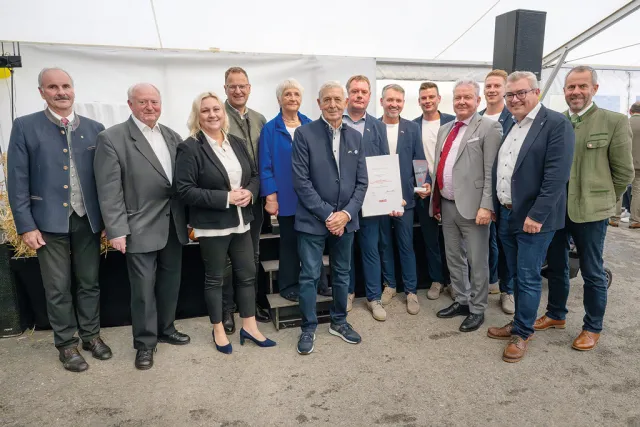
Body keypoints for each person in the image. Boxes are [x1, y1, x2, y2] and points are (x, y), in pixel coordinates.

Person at [7, 67, 111, 372]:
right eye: (52, 87)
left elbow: (105, 180)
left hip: (87, 219)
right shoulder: (25, 126)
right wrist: (26, 225)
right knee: (57, 287)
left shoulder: (95, 128)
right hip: (47, 221)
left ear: (73, 89)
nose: (61, 92)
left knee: (89, 282)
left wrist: (108, 220)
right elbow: (17, 179)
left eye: (65, 85)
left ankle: (91, 336)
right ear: (42, 92)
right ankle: (66, 343)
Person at [536, 66, 634, 351]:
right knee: (556, 266)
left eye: (582, 86)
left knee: (592, 271)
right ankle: (556, 314)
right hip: (557, 210)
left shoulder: (614, 121)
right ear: (564, 91)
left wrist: (603, 201)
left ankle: (592, 326)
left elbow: (624, 173)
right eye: (571, 87)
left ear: (594, 89)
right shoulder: (556, 121)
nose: (576, 92)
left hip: (591, 212)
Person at [94, 83, 190, 370]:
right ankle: (145, 344)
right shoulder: (112, 138)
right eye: (143, 102)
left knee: (171, 282)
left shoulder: (172, 135)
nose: (150, 107)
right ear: (130, 104)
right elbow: (109, 190)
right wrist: (116, 229)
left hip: (173, 223)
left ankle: (166, 328)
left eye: (154, 102)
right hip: (138, 226)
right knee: (143, 290)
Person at [176, 91, 275, 354]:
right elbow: (184, 190)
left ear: (223, 112)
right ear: (197, 115)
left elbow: (254, 175)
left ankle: (250, 326)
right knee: (216, 279)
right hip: (212, 225)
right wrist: (226, 197)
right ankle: (218, 329)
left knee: (247, 275)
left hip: (242, 222)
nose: (212, 114)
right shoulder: (190, 147)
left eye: (216, 109)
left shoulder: (236, 143)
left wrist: (250, 192)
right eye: (205, 110)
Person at [486, 71, 574, 362]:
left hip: (533, 219)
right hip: (507, 214)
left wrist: (537, 215)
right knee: (514, 273)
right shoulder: (511, 123)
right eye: (510, 94)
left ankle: (523, 333)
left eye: (521, 93)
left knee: (527, 276)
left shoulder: (556, 124)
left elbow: (556, 177)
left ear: (536, 92)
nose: (515, 99)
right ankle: (519, 322)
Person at [292, 81, 368, 355]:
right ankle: (308, 327)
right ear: (319, 103)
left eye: (337, 99)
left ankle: (339, 321)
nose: (333, 104)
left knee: (342, 274)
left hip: (346, 221)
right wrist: (328, 214)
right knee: (310, 275)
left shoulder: (356, 137)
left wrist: (345, 214)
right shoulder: (304, 134)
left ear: (345, 102)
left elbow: (362, 183)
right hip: (313, 220)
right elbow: (301, 181)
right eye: (327, 99)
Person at [430, 79, 501, 332]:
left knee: (477, 260)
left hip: (474, 207)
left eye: (467, 97)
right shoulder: (445, 128)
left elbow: (491, 171)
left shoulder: (489, 127)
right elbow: (441, 165)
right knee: (454, 256)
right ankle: (461, 300)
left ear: (478, 100)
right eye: (458, 97)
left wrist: (487, 206)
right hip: (447, 204)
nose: (461, 102)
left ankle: (478, 308)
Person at [342, 75, 394, 320]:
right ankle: (347, 292)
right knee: (346, 250)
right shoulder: (336, 122)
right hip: (343, 199)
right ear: (348, 95)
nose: (359, 95)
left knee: (371, 249)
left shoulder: (378, 126)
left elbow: (385, 161)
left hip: (371, 199)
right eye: (355, 91)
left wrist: (390, 197)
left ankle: (374, 298)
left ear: (370, 96)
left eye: (363, 92)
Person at [223, 66, 270, 331]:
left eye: (242, 86)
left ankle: (248, 307)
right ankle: (227, 310)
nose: (238, 90)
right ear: (225, 89)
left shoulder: (259, 119)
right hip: (229, 200)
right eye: (233, 86)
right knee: (227, 259)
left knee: (252, 255)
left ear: (249, 88)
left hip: (255, 199)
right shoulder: (217, 116)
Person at [259, 79, 312, 302]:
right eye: (287, 94)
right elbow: (265, 166)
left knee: (312, 241)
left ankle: (317, 282)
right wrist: (271, 197)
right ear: (279, 99)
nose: (292, 98)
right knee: (289, 241)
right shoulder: (270, 129)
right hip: (286, 196)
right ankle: (288, 285)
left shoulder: (310, 125)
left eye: (296, 94)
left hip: (310, 195)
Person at [378, 84, 429, 315]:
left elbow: (419, 160)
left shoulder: (412, 128)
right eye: (390, 100)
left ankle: (410, 291)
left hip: (405, 199)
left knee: (406, 245)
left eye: (398, 100)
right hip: (380, 199)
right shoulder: (373, 127)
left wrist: (422, 185)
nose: (394, 104)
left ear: (403, 103)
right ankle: (390, 285)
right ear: (382, 102)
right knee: (384, 244)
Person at [412, 82, 454, 300]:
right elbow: (416, 158)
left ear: (439, 99)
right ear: (419, 101)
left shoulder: (453, 122)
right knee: (430, 240)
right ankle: (436, 280)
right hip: (426, 191)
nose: (427, 101)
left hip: (451, 190)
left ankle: (454, 282)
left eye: (431, 97)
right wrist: (423, 184)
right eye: (423, 98)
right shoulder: (413, 126)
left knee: (453, 240)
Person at [479, 69, 514, 314]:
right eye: (488, 86)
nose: (492, 90)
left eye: (496, 86)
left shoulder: (514, 118)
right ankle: (488, 282)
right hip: (481, 192)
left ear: (505, 89)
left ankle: (507, 290)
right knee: (483, 242)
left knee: (505, 243)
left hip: (505, 193)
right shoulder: (477, 118)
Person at [629, 102, 640, 229]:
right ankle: (635, 220)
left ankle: (614, 218)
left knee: (620, 189)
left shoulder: (625, 123)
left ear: (630, 111)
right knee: (637, 190)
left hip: (624, 162)